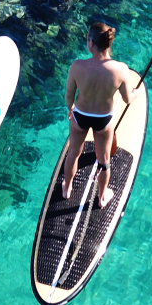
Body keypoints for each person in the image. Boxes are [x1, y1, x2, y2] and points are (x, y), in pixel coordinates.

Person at [61, 22, 139, 208]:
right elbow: (128, 99)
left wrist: (70, 108)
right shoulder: (121, 69)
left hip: (80, 115)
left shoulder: (77, 66)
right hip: (103, 120)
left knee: (74, 153)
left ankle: (67, 188)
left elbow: (69, 95)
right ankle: (102, 197)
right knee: (104, 161)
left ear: (91, 43)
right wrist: (135, 92)